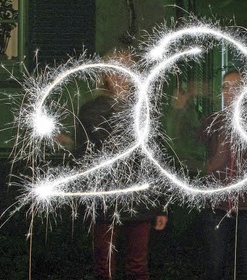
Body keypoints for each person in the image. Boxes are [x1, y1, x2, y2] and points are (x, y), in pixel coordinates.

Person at [74, 50, 168, 280]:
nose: (122, 74)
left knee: (137, 266)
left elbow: (155, 159)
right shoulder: (91, 110)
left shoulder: (144, 110)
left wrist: (162, 205)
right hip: (104, 200)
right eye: (116, 68)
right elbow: (83, 156)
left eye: (127, 68)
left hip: (140, 202)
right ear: (106, 74)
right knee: (103, 266)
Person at [198, 70, 247, 280]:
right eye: (225, 87)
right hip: (216, 205)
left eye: (236, 87)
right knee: (214, 265)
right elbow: (193, 154)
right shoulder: (213, 122)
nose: (230, 92)